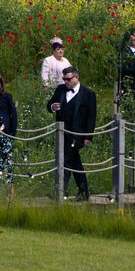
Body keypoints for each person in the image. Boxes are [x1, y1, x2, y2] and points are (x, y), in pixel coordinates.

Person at [47, 66, 97, 201]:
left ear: (77, 78)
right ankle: (83, 191)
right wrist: (53, 106)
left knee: (67, 160)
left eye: (68, 79)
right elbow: (49, 104)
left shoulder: (88, 94)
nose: (66, 82)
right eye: (64, 79)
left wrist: (88, 137)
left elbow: (91, 117)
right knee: (74, 162)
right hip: (62, 133)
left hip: (78, 134)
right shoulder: (60, 89)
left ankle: (60, 190)